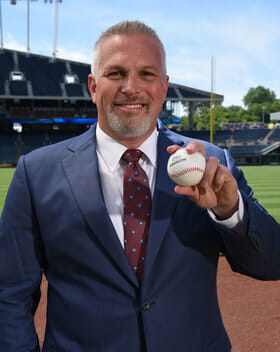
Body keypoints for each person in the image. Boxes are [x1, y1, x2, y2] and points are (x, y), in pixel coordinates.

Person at [0, 20, 280, 352]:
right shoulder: (37, 172)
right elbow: (9, 295)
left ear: (164, 87)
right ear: (92, 85)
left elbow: (271, 264)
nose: (131, 87)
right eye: (115, 73)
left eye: (147, 75)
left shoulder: (213, 163)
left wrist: (231, 211)